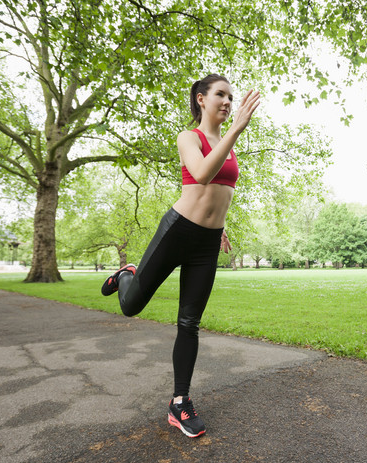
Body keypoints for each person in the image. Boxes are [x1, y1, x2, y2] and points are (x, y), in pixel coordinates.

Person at [100, 74, 260, 438]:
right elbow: (202, 174)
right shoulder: (190, 137)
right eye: (220, 94)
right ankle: (127, 275)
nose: (227, 101)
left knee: (189, 323)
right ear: (201, 99)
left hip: (207, 242)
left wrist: (221, 227)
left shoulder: (227, 144)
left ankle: (179, 402)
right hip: (178, 231)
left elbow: (220, 190)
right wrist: (237, 129)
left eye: (231, 97)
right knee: (131, 306)